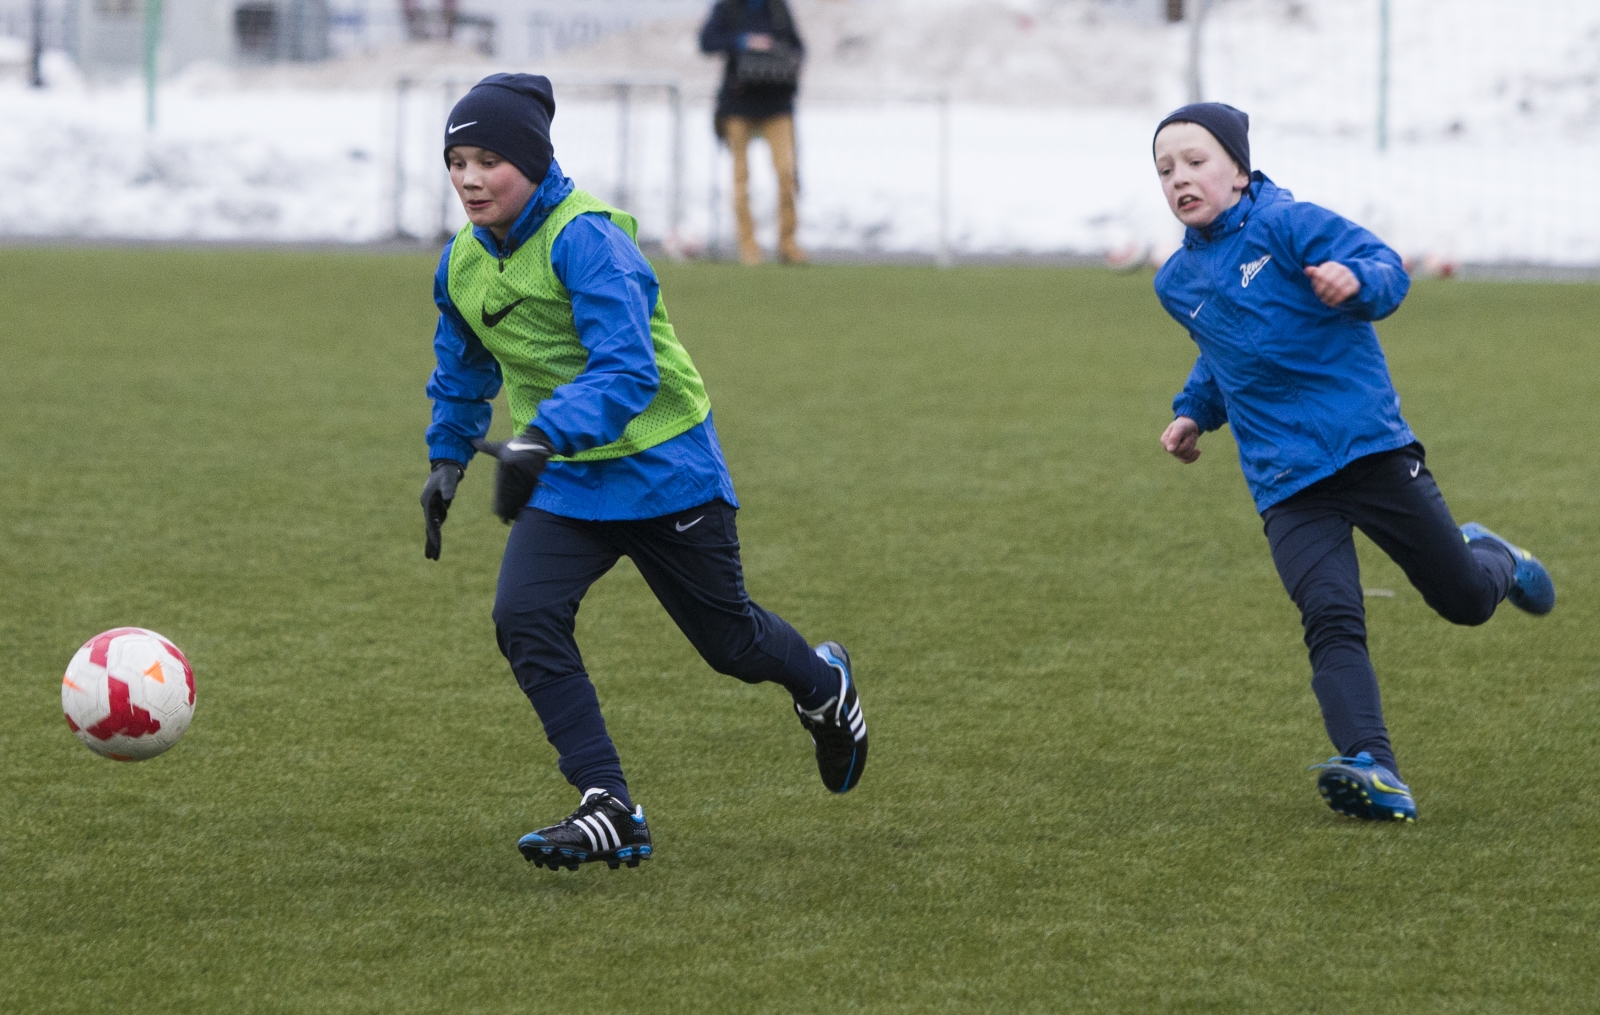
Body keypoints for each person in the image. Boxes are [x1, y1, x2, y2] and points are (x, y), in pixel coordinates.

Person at [419, 74, 867, 871]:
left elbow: (628, 372)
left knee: (730, 644)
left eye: (489, 158)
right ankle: (609, 804)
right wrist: (448, 454)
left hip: (664, 469)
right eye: (457, 160)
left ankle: (824, 685)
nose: (470, 178)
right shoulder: (462, 260)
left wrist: (542, 434)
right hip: (567, 480)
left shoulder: (586, 239)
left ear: (532, 159)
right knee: (523, 615)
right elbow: (461, 365)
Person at [1150, 102, 1555, 823]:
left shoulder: (1288, 224)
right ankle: (1375, 765)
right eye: (1165, 169)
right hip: (1286, 484)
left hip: (1368, 450)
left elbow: (1386, 268)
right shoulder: (1175, 282)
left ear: (1238, 170)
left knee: (1462, 599)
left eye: (1195, 160)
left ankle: (1494, 555)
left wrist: (1355, 281)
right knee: (1330, 613)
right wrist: (1191, 410)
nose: (1179, 177)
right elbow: (1223, 355)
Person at [699, 0, 806, 266]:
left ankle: (787, 243)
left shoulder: (777, 8)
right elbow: (707, 41)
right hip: (738, 104)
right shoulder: (728, 7)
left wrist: (779, 55)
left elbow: (799, 47)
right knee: (740, 178)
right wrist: (742, 42)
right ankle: (748, 247)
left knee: (786, 173)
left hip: (776, 103)